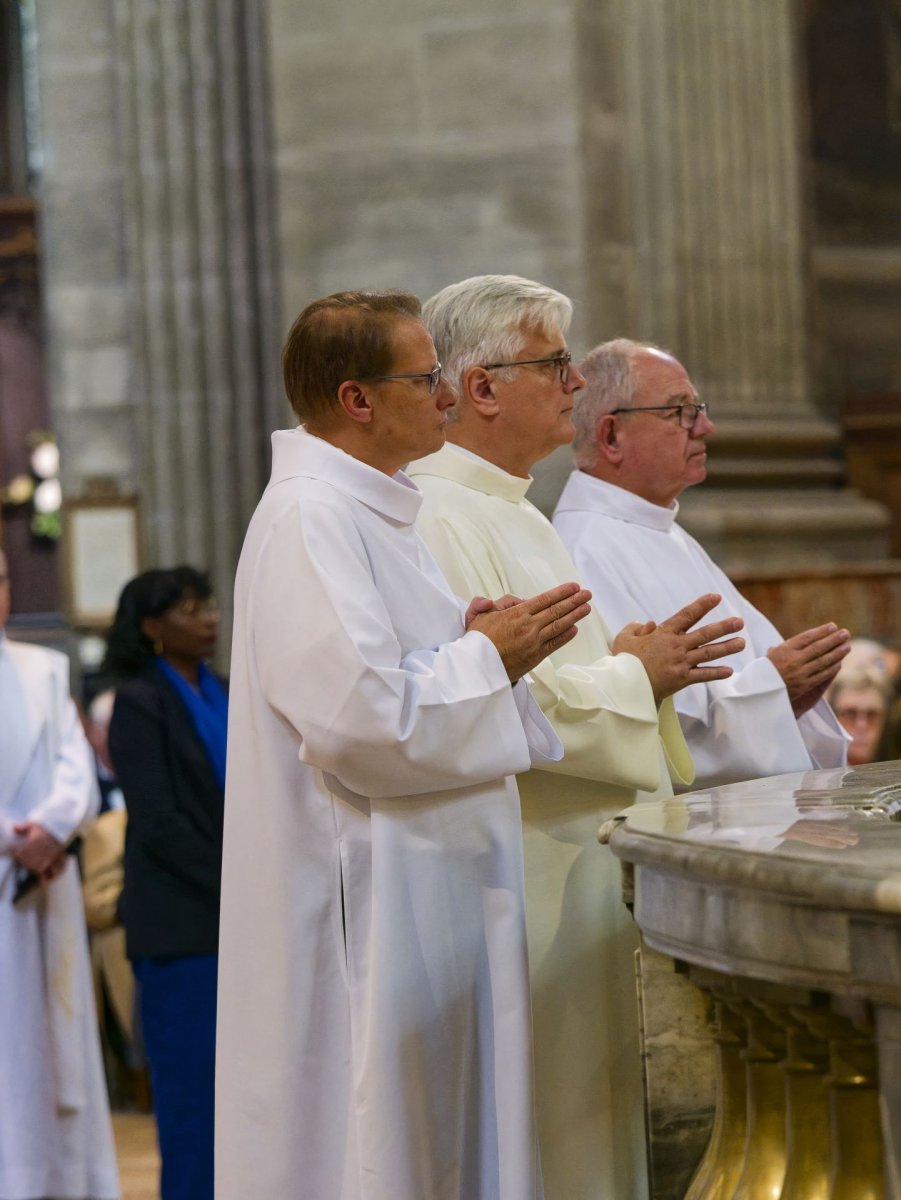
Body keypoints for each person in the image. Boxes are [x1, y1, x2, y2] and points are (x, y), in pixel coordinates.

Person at [215, 288, 594, 1200]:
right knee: (383, 1146)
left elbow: (393, 670)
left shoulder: (377, 508)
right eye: (425, 379)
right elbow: (354, 720)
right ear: (356, 399)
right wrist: (480, 658)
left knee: (448, 1138)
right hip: (373, 901)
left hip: (429, 886)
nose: (445, 398)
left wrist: (468, 640)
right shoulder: (312, 516)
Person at [407, 274, 745, 1200]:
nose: (570, 381)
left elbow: (553, 682)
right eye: (552, 362)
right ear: (480, 388)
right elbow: (504, 708)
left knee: (589, 1138)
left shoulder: (515, 509)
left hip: (576, 869)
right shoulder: (438, 515)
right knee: (549, 1140)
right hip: (524, 871)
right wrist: (642, 672)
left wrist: (643, 670)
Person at [554, 337, 850, 789]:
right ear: (612, 435)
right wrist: (776, 689)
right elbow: (646, 728)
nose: (706, 427)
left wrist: (789, 696)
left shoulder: (664, 529)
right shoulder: (585, 549)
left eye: (699, 408)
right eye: (681, 411)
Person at [0, 546, 120, 1200]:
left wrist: (49, 829)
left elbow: (79, 768)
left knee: (53, 1044)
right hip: (12, 873)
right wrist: (12, 839)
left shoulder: (44, 668)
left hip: (46, 884)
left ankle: (64, 1183)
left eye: (1, 578)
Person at [104, 566, 227, 1200]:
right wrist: (236, 884)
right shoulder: (139, 700)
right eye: (188, 608)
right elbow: (158, 821)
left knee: (241, 1095)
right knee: (192, 1098)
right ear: (152, 627)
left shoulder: (226, 690)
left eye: (207, 605)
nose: (207, 617)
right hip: (182, 924)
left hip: (236, 920)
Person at [827, 664, 891, 767]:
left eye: (872, 715)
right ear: (833, 717)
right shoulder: (813, 771)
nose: (861, 725)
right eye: (850, 714)